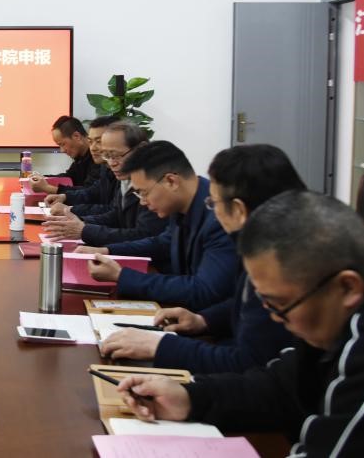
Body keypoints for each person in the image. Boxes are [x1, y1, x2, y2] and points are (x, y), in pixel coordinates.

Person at [115, 191, 364, 457]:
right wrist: (190, 398)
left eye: (280, 304)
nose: (274, 318)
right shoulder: (358, 301)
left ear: (348, 287)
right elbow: (282, 386)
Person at [100, 144, 302, 373]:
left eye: (214, 203)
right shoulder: (269, 241)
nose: (142, 202)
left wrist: (162, 347)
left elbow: (249, 362)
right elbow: (244, 302)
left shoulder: (279, 264)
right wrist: (204, 320)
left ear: (238, 210)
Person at [80, 141, 238, 310]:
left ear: (171, 181)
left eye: (143, 192)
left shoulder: (221, 217)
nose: (143, 202)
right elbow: (162, 242)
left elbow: (204, 290)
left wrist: (121, 276)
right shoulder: (183, 202)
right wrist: (107, 250)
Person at [42, 121, 166, 246]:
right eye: (107, 156)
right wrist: (79, 222)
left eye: (116, 155)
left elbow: (145, 235)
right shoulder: (120, 173)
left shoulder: (155, 181)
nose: (112, 163)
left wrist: (84, 229)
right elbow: (115, 214)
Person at [42, 115, 119, 216]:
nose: (93, 148)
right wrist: (65, 197)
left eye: (99, 141)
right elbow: (92, 192)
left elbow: (113, 213)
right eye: (90, 142)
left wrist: (69, 210)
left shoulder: (128, 172)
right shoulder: (104, 167)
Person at [28, 116, 94, 193]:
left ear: (77, 136)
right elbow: (69, 177)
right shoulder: (80, 158)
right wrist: (42, 178)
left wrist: (47, 188)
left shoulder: (98, 158)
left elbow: (89, 193)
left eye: (63, 144)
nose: (62, 150)